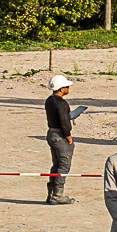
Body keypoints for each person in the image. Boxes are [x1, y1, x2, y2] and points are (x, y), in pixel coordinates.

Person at [43, 74, 76, 204]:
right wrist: (69, 138)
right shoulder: (62, 103)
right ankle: (57, 196)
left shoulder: (49, 100)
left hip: (51, 133)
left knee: (56, 164)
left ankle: (51, 194)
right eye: (67, 87)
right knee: (64, 165)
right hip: (59, 136)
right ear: (62, 89)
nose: (68, 88)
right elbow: (64, 123)